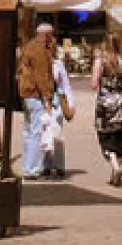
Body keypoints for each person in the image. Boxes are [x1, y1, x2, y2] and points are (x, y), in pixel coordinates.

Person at [91, 37, 122, 187]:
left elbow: (94, 84)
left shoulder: (100, 62)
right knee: (120, 135)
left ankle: (115, 165)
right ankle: (115, 171)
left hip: (105, 104)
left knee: (105, 136)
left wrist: (100, 82)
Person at [17, 23, 57, 180]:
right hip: (35, 95)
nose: (52, 38)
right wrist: (47, 98)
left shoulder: (29, 46)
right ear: (46, 34)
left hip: (27, 94)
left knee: (29, 132)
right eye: (51, 35)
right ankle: (33, 169)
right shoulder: (40, 49)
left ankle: (28, 166)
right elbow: (42, 75)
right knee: (37, 132)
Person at [44, 46, 75, 179]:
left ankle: (59, 166)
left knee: (57, 133)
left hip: (56, 101)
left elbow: (66, 85)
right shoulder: (39, 64)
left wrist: (71, 103)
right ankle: (45, 165)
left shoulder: (58, 64)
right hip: (42, 101)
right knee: (44, 133)